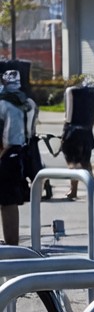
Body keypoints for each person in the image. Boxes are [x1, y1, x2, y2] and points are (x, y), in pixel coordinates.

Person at [0, 69, 34, 247]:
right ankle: (12, 243)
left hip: (5, 155)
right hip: (21, 154)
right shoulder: (28, 103)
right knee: (10, 201)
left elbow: (5, 138)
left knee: (6, 201)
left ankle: (10, 244)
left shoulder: (3, 104)